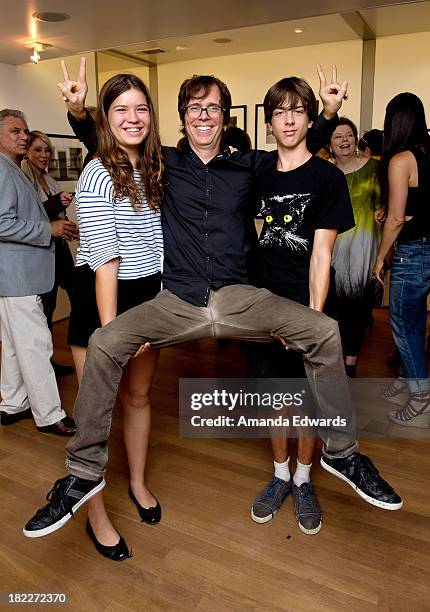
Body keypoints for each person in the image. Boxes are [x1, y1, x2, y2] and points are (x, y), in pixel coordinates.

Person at [24, 64, 402, 548]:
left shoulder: (249, 165)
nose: (204, 116)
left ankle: (343, 454)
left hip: (237, 296)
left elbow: (297, 152)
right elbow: (119, 137)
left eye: (213, 108)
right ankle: (81, 474)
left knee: (323, 330)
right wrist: (79, 112)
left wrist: (325, 114)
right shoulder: (162, 163)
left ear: (225, 117)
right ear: (183, 116)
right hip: (177, 300)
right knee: (103, 341)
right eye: (195, 108)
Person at [248, 77, 354, 534]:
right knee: (276, 399)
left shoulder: (327, 178)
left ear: (309, 118)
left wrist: (309, 319)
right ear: (269, 121)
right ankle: (279, 475)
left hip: (303, 305)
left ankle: (304, 478)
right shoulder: (257, 172)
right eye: (279, 111)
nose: (288, 119)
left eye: (297, 110)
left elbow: (322, 254)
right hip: (260, 305)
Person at [67, 73, 163, 561]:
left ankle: (139, 482)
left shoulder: (154, 166)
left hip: (146, 296)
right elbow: (105, 260)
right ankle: (96, 516)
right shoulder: (97, 171)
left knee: (140, 397)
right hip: (103, 300)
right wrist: (115, 333)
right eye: (121, 109)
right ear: (106, 117)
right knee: (96, 416)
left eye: (141, 108)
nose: (133, 118)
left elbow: (159, 246)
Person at [0, 109, 77, 436]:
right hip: (18, 275)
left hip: (13, 275)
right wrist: (50, 229)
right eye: (15, 131)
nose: (23, 136)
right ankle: (49, 414)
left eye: (25, 131)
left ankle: (12, 404)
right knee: (35, 345)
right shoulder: (2, 170)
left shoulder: (15, 168)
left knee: (16, 345)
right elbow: (2, 223)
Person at [372, 92, 430, 428]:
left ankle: (421, 396)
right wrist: (397, 213)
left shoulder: (401, 160)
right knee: (417, 320)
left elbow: (396, 220)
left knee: (404, 328)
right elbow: (416, 206)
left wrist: (380, 258)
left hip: (414, 253)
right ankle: (409, 378)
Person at [329, 118, 383, 376]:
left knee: (358, 307)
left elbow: (387, 202)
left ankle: (350, 360)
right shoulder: (324, 173)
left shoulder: (373, 169)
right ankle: (336, 356)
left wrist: (383, 210)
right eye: (338, 136)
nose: (344, 140)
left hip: (364, 247)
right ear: (329, 143)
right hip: (332, 250)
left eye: (349, 135)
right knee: (334, 307)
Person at [21, 130, 76, 376]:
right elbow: (29, 217)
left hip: (58, 252)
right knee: (44, 309)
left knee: (67, 300)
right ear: (27, 152)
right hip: (40, 255)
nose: (44, 155)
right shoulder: (24, 178)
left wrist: (67, 228)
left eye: (47, 150)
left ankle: (53, 359)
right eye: (38, 150)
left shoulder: (48, 178)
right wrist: (56, 203)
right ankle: (42, 365)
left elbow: (54, 217)